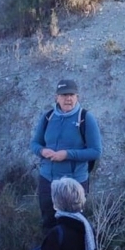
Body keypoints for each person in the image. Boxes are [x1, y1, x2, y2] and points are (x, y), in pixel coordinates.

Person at [30, 78, 101, 230]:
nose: (68, 98)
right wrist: (42, 151)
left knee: (73, 227)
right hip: (47, 180)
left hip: (74, 183)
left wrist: (67, 154)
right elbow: (35, 143)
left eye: (71, 95)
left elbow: (95, 151)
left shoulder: (85, 118)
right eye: (64, 95)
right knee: (49, 224)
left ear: (77, 97)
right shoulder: (48, 117)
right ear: (56, 97)